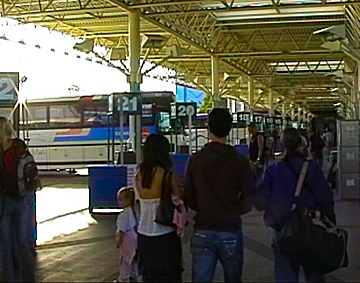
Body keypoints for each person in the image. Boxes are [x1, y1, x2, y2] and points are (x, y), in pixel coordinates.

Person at [254, 128, 336, 283]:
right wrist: (331, 224)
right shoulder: (313, 169)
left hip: (284, 231)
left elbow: (259, 201)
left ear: (283, 144)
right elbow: (326, 199)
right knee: (315, 274)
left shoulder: (273, 170)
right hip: (312, 230)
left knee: (286, 275)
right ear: (301, 144)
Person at [184, 108, 254, 282]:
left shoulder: (196, 160)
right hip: (230, 229)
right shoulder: (240, 162)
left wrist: (203, 207)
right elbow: (248, 199)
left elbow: (189, 196)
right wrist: (234, 209)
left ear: (208, 128)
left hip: (203, 229)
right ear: (230, 129)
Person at [0, 117, 35, 282]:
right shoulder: (19, 144)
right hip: (22, 198)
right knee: (22, 243)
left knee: (4, 245)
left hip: (2, 198)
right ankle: (28, 279)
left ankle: (9, 280)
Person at [135, 133, 183, 282]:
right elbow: (181, 199)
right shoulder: (168, 175)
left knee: (149, 277)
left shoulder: (138, 176)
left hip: (144, 234)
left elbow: (137, 204)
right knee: (170, 276)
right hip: (165, 234)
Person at [115, 187, 139, 283]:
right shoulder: (133, 211)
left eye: (120, 199)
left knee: (125, 261)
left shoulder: (123, 215)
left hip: (126, 241)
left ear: (128, 200)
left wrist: (118, 242)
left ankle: (123, 278)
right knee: (132, 260)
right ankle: (134, 276)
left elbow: (121, 231)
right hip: (134, 240)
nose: (118, 202)